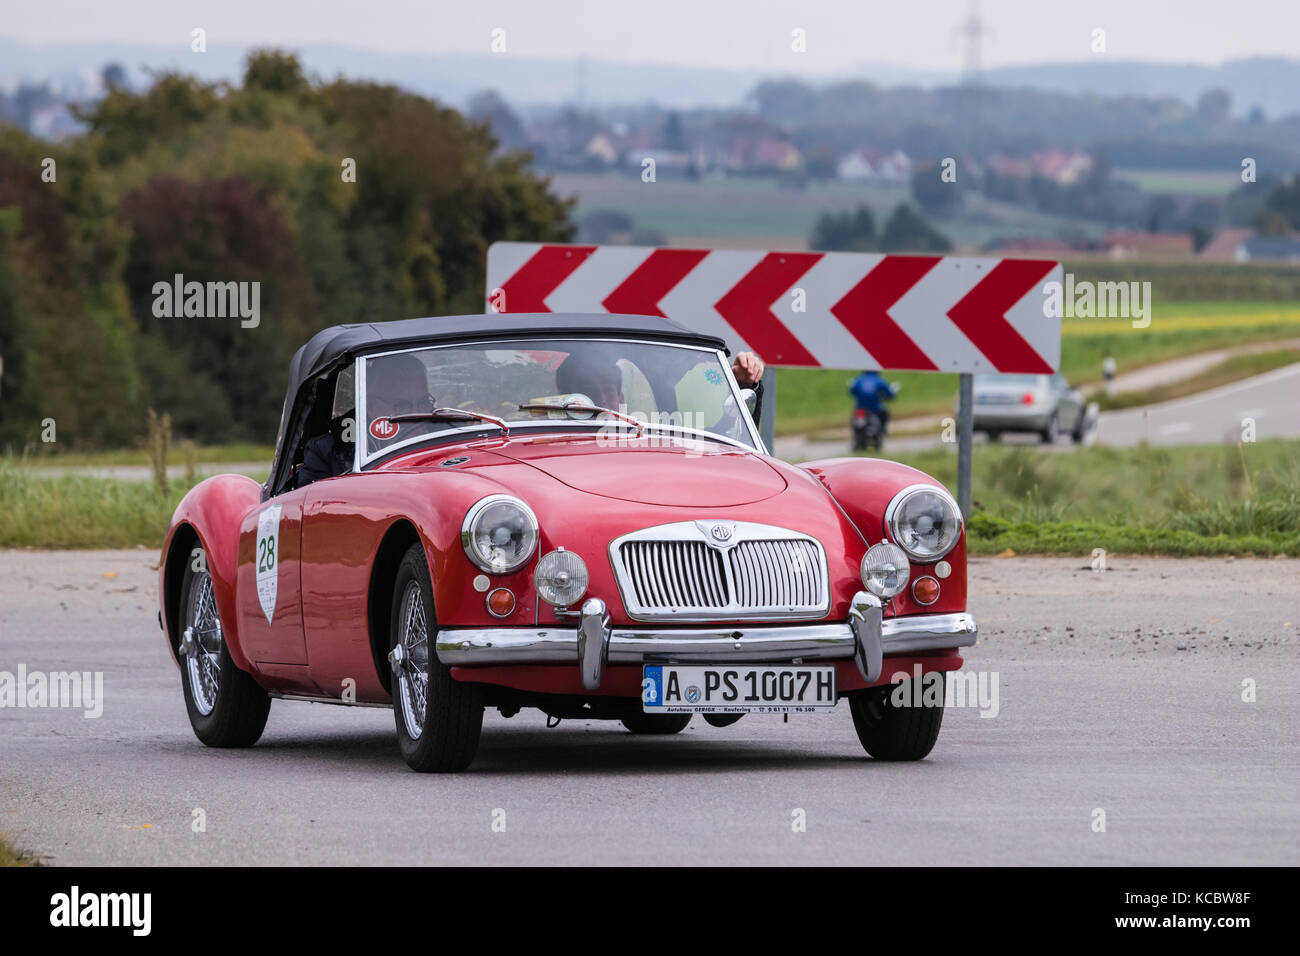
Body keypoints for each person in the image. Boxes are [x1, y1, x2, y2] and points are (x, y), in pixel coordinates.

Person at [296, 353, 430, 487]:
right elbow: (314, 502)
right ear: (371, 407)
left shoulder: (444, 432)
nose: (417, 414)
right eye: (402, 405)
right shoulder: (327, 452)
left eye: (423, 402)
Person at [554, 348, 766, 425]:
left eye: (608, 390)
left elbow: (723, 440)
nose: (600, 399)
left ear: (620, 399)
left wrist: (744, 384)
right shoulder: (551, 445)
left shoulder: (654, 436)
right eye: (588, 390)